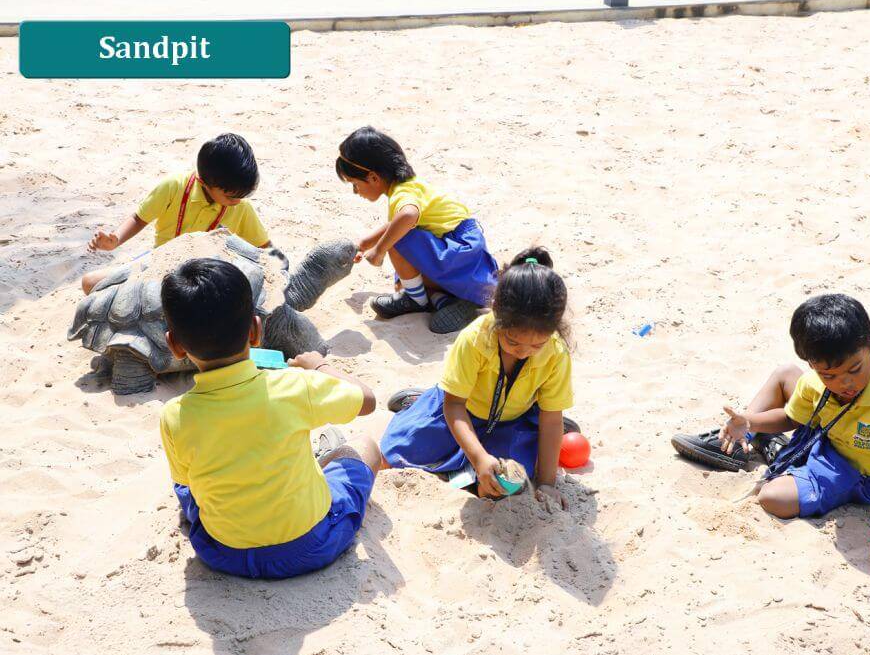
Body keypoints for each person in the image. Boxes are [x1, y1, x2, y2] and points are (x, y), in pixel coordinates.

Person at [159, 257, 378, 578]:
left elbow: (186, 483)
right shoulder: (294, 387)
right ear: (256, 331)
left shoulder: (173, 415)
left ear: (175, 345)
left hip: (223, 552)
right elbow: (368, 400)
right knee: (363, 446)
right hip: (310, 546)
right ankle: (323, 460)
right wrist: (319, 365)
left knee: (188, 487)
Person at [672, 294, 870, 523]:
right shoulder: (814, 381)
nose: (846, 383)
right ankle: (743, 442)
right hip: (825, 435)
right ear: (811, 365)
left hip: (854, 473)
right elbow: (790, 418)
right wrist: (750, 421)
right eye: (829, 375)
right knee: (785, 374)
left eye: (854, 369)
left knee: (772, 497)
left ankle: (780, 452)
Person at [380, 247, 577, 509]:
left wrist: (547, 485)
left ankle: (473, 468)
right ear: (496, 315)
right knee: (395, 454)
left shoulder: (556, 351)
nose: (524, 352)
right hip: (460, 410)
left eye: (536, 346)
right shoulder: (474, 339)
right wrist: (478, 457)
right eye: (513, 341)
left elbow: (551, 418)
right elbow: (454, 406)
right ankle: (419, 402)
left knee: (508, 482)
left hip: (510, 420)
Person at [336, 126, 498, 334]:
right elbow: (401, 220)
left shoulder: (402, 195)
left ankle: (418, 300)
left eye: (355, 184)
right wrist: (366, 243)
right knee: (404, 280)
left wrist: (380, 250)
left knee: (399, 244)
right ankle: (445, 300)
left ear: (374, 178)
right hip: (464, 257)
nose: (355, 191)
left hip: (460, 255)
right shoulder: (410, 186)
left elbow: (408, 217)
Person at [81, 133, 271, 294]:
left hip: (203, 282)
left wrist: (281, 267)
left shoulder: (241, 207)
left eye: (242, 196)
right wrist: (116, 240)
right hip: (158, 266)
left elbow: (265, 246)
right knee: (90, 282)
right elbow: (139, 219)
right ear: (203, 182)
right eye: (231, 196)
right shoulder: (173, 187)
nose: (237, 201)